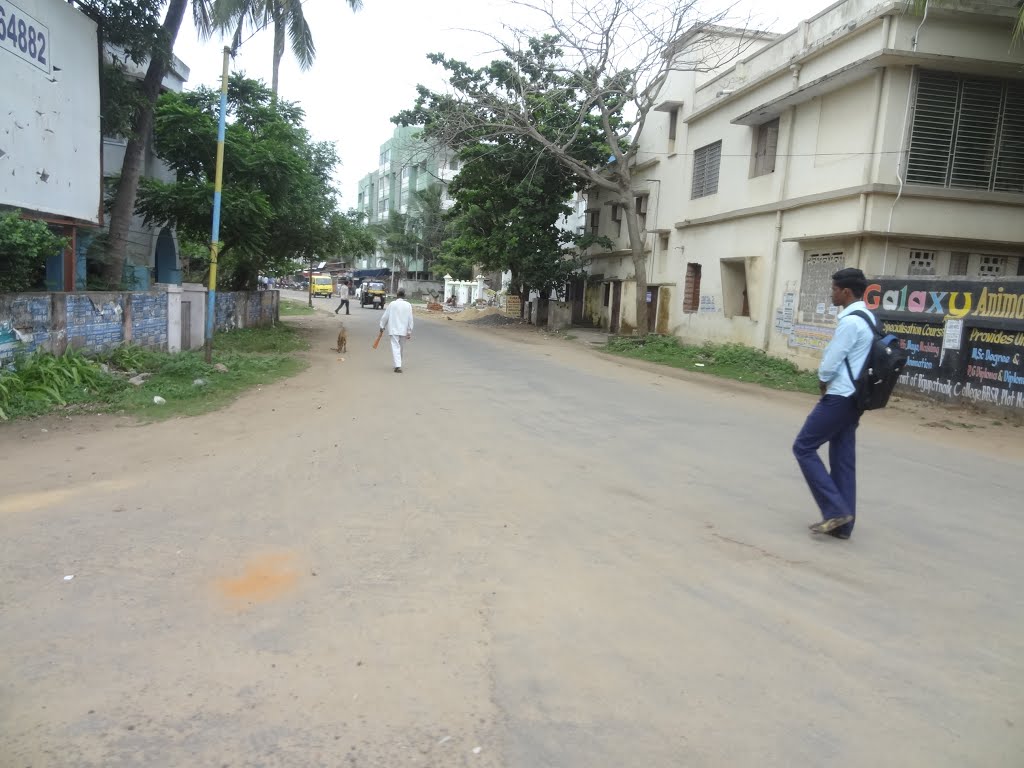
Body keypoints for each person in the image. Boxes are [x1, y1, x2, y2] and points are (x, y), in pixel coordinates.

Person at [792, 267, 875, 540]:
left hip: (839, 395)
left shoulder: (850, 322)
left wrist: (823, 378)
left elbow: (832, 361)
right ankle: (843, 525)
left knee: (803, 446)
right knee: (842, 459)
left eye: (834, 289)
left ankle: (834, 509)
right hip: (855, 398)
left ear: (846, 292)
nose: (832, 294)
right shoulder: (869, 318)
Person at [379, 288, 414, 373]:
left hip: (393, 329)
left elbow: (385, 316)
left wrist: (382, 326)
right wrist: (409, 331)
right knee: (400, 348)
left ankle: (398, 365)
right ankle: (398, 365)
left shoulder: (392, 304)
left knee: (395, 347)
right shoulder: (408, 305)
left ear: (397, 295)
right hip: (403, 330)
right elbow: (410, 319)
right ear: (404, 295)